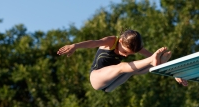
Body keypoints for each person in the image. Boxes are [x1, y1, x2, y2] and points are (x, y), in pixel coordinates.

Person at [57, 30, 188, 92]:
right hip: (97, 78)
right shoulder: (111, 41)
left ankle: (155, 63)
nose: (125, 55)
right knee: (123, 66)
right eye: (125, 52)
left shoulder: (134, 47)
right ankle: (152, 62)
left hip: (112, 84)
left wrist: (175, 73)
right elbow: (93, 43)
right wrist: (75, 46)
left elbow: (154, 57)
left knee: (136, 69)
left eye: (129, 54)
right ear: (120, 41)